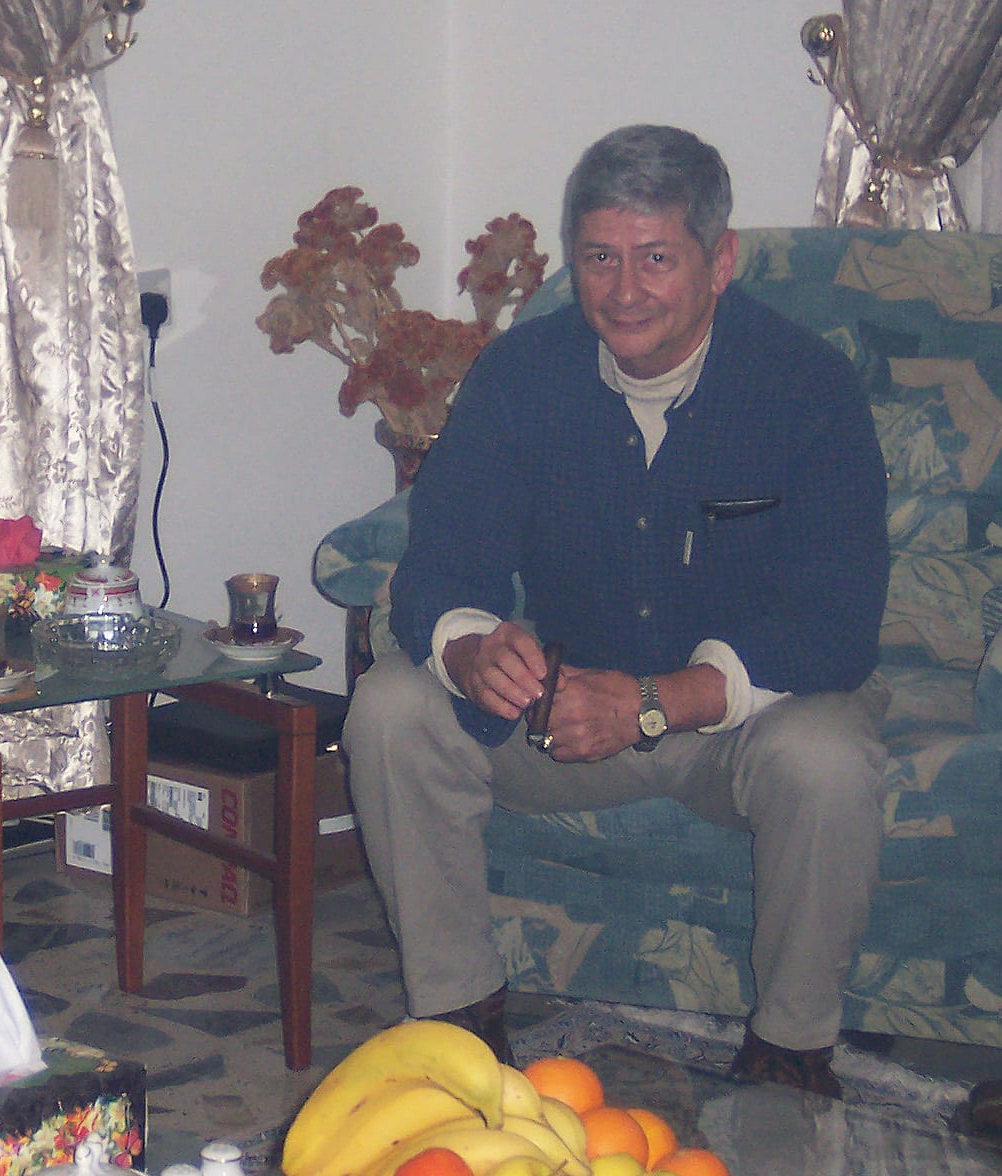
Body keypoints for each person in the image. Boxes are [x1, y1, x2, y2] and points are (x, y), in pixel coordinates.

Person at [343, 124, 890, 1096]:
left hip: (740, 726)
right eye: (599, 258)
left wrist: (653, 699)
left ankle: (790, 1051)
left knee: (830, 757)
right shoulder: (520, 375)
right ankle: (458, 1023)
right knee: (389, 704)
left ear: (718, 261)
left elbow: (839, 619)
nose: (623, 290)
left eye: (654, 258)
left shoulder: (807, 386)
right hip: (563, 719)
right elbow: (436, 567)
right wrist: (469, 649)